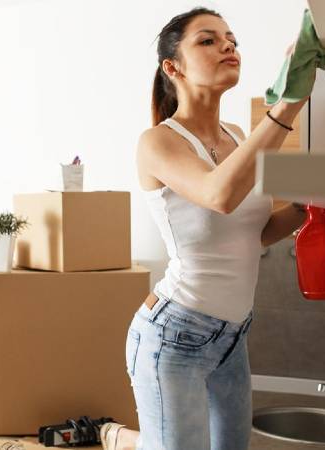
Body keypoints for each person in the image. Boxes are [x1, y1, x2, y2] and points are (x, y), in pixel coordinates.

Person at [100, 7, 311, 450]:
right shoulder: (157, 142)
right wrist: (287, 104)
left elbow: (252, 234)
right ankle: (127, 439)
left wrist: (313, 206)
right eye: (208, 40)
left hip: (233, 337)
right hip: (174, 338)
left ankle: (132, 439)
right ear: (172, 67)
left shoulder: (237, 135)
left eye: (231, 38)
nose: (228, 45)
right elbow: (219, 195)